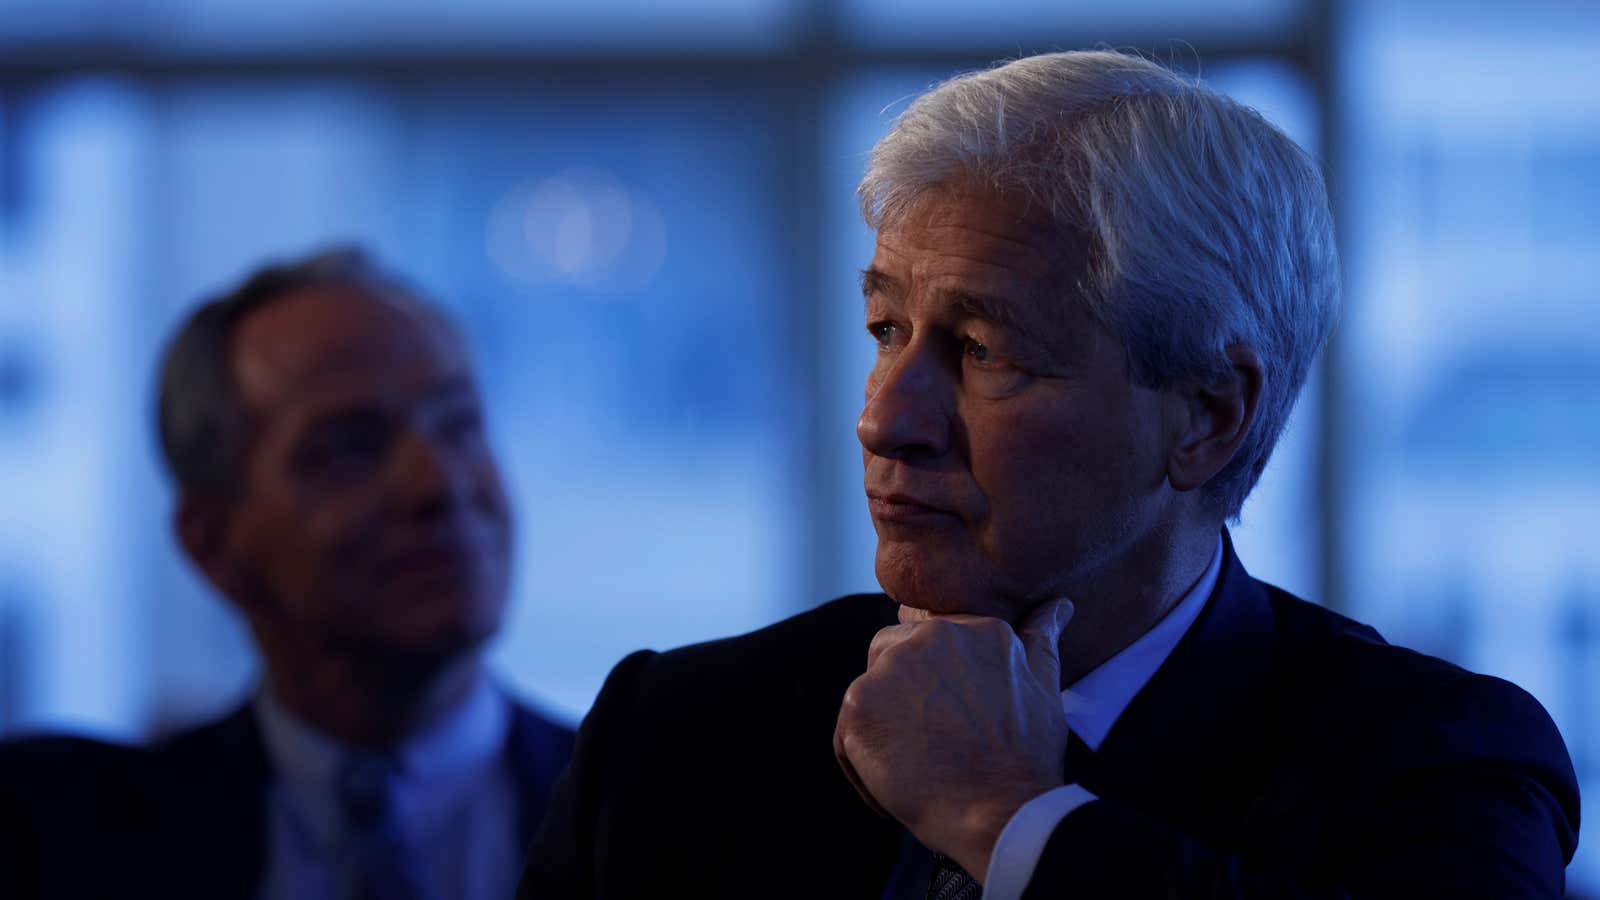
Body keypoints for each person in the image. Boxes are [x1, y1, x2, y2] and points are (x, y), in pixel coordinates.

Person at [519, 50, 1579, 899]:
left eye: (983, 351)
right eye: (886, 328)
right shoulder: (679, 733)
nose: (884, 417)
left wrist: (1011, 820)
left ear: (1209, 415)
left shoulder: (1435, 767)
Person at [0, 249, 574, 899]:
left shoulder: (659, 819)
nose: (438, 483)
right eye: (350, 447)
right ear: (212, 544)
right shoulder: (58, 840)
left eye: (460, 425)